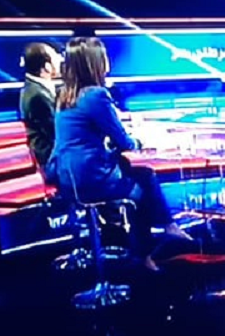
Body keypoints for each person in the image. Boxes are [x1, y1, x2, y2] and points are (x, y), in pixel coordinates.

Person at [48, 37, 190, 271]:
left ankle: (161, 234)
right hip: (89, 178)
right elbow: (124, 142)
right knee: (141, 189)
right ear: (95, 62)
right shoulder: (95, 95)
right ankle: (149, 249)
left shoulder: (65, 95)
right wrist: (144, 141)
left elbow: (82, 139)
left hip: (66, 176)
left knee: (141, 174)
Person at [19, 42, 62, 177]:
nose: (60, 59)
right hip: (50, 162)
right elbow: (56, 133)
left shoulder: (37, 88)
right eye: (56, 57)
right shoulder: (37, 96)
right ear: (47, 67)